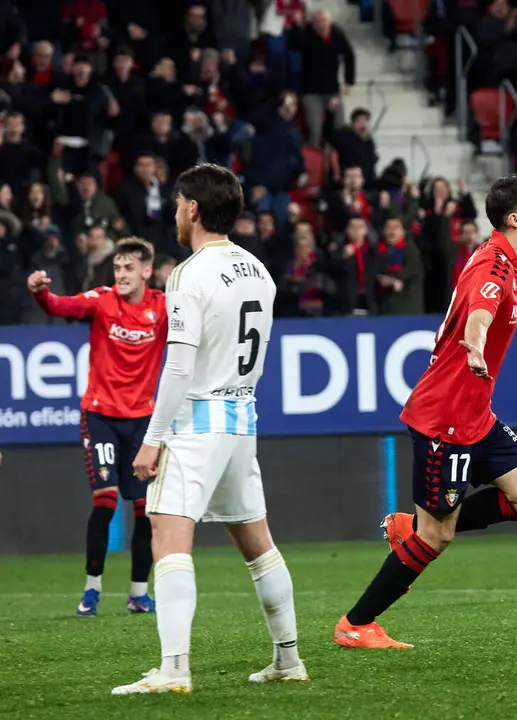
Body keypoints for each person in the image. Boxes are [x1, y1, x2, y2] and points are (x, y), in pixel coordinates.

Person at [335, 173, 517, 649]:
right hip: (446, 417)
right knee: (438, 537)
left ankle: (410, 527)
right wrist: (474, 346)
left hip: (476, 412)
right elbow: (480, 312)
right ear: (515, 219)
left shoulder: (507, 259)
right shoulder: (495, 267)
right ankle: (356, 624)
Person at [113, 164, 306, 694]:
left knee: (168, 537)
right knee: (257, 542)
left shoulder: (189, 273)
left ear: (193, 209)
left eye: (178, 203)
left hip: (197, 419)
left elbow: (178, 365)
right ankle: (288, 660)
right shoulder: (258, 271)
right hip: (242, 418)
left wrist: (153, 438)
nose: (176, 212)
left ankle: (173, 670)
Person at [27, 238, 167, 617]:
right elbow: (60, 305)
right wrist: (42, 294)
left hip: (142, 422)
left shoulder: (163, 307)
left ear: (146, 271)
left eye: (128, 268)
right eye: (117, 268)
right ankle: (92, 590)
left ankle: (139, 593)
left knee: (143, 507)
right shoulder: (103, 300)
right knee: (105, 501)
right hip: (100, 416)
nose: (120, 275)